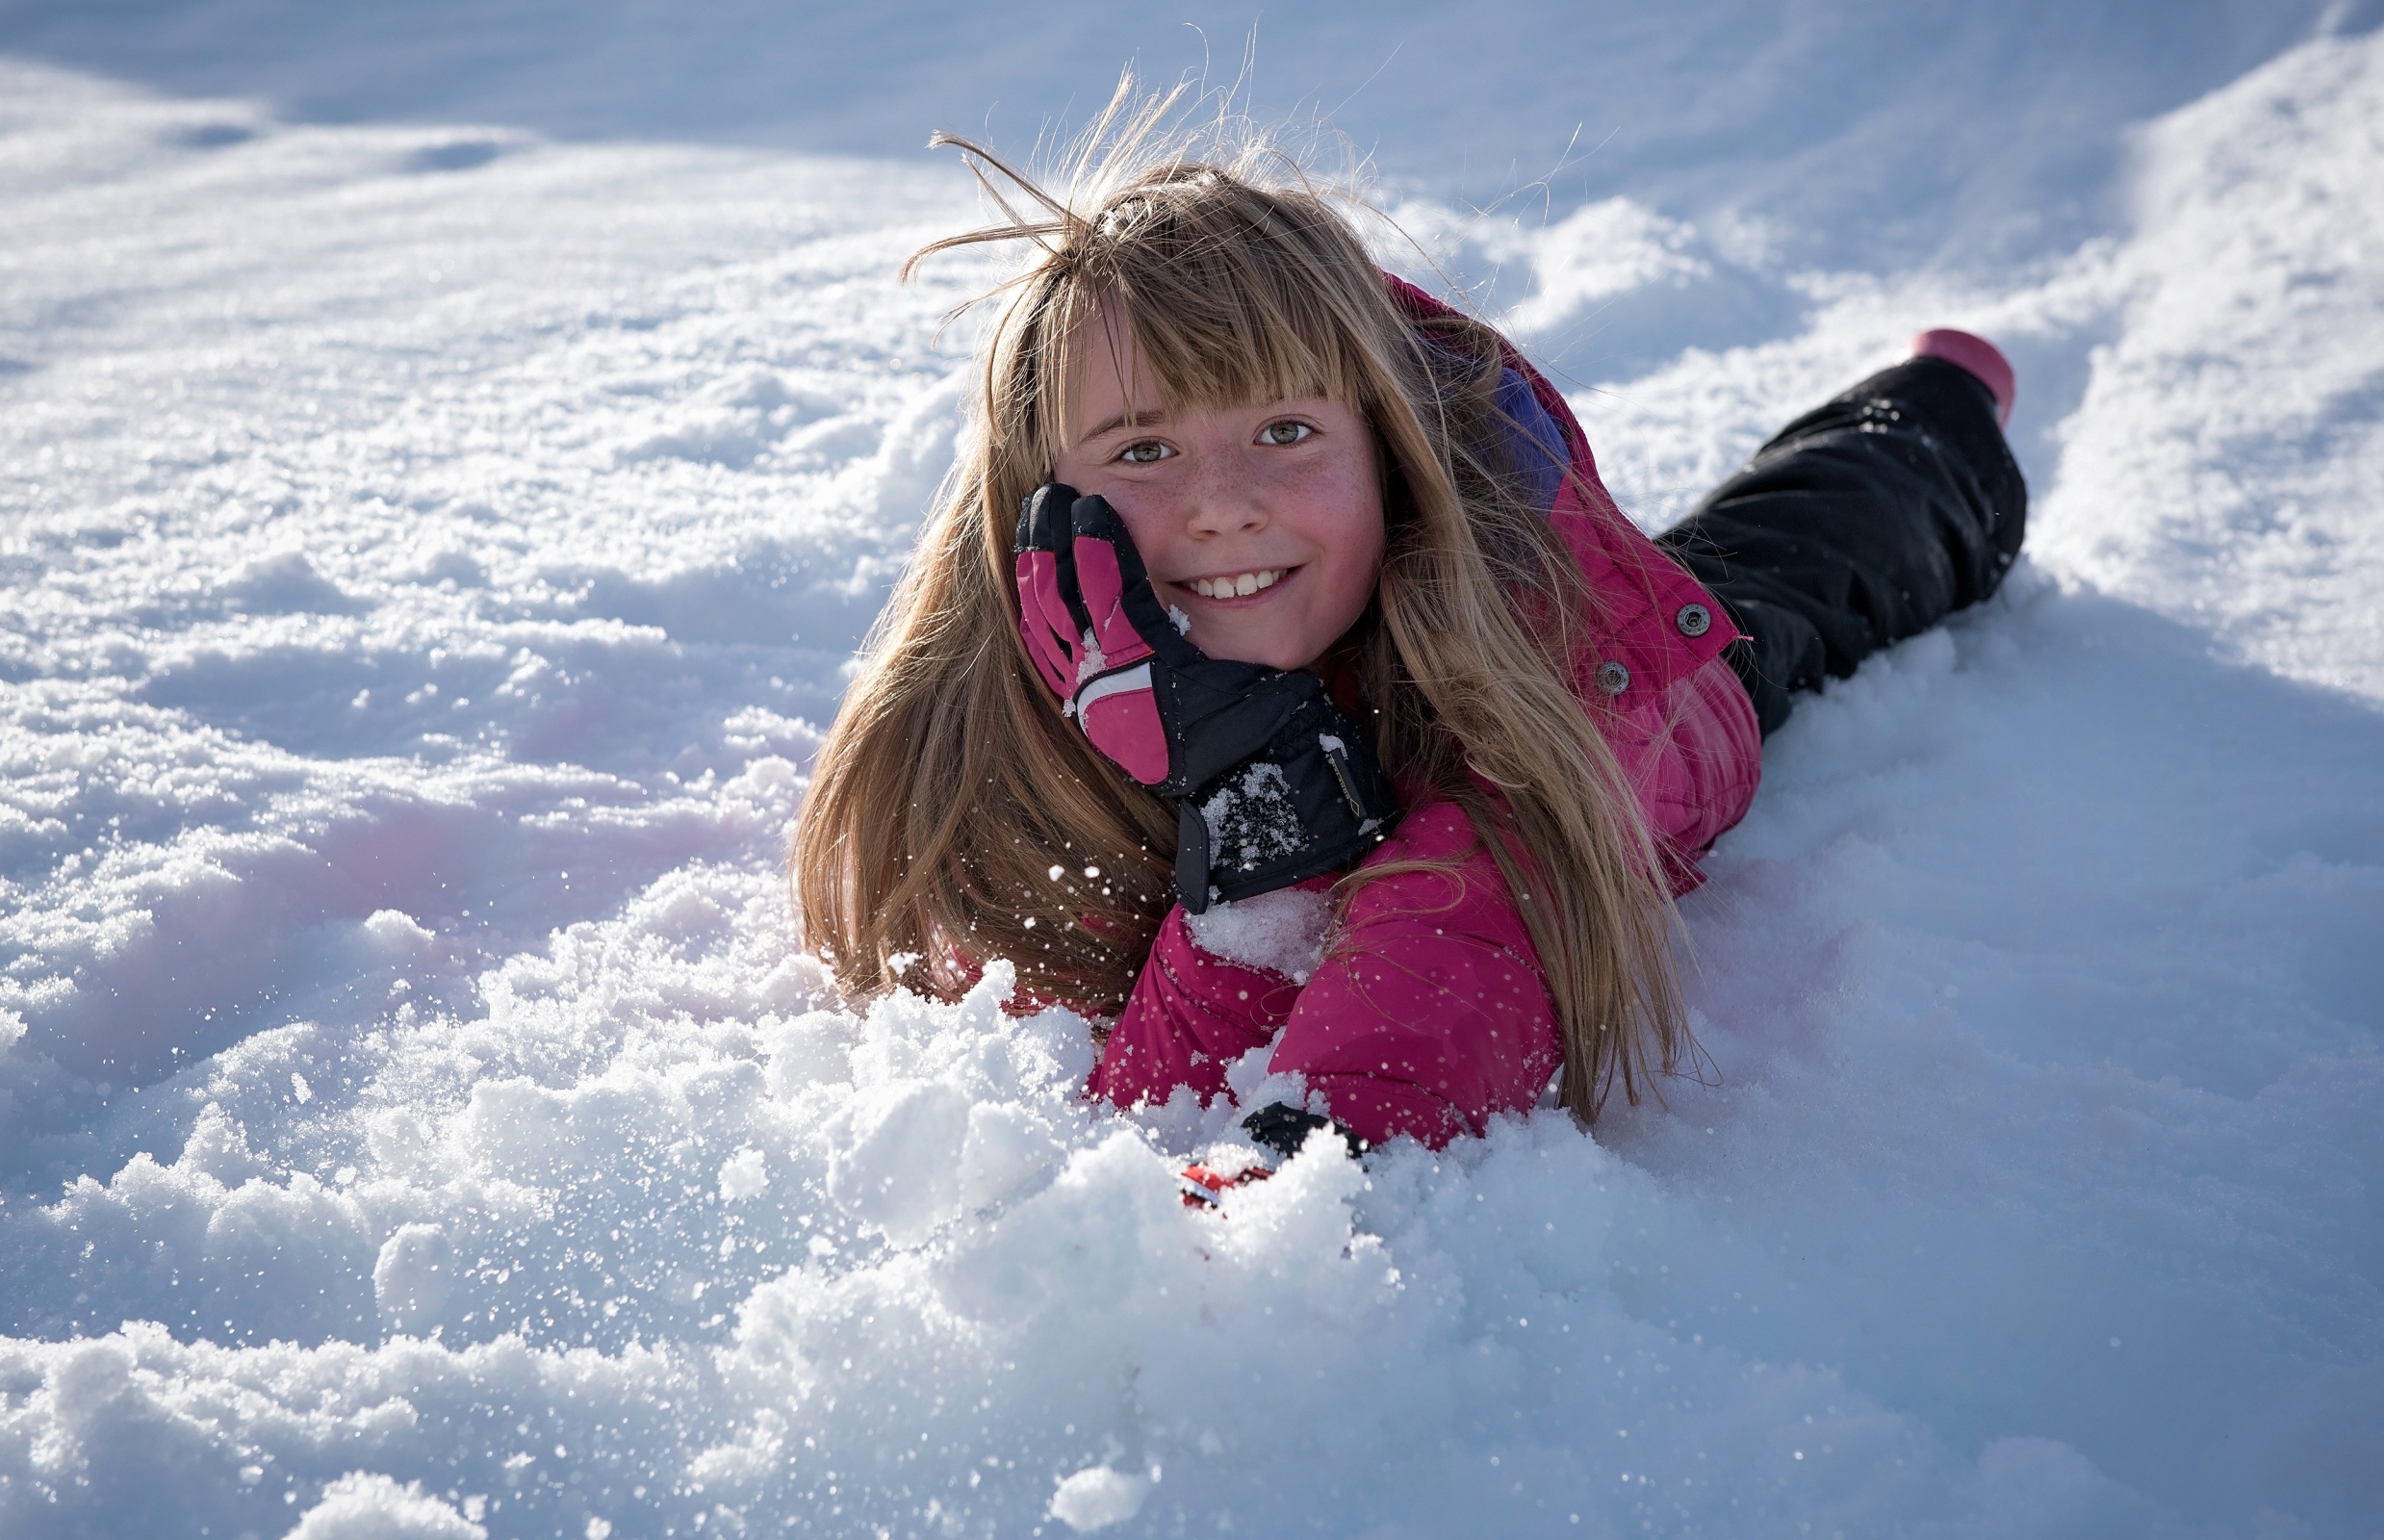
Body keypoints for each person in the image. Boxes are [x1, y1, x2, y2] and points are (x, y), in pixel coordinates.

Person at [792, 95, 2024, 1168]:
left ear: (1388, 456)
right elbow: (1086, 1097)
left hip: (1616, 711)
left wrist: (1286, 1162)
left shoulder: (1530, 693)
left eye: (1284, 433)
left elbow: (1437, 978)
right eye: (1145, 450)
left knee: (1793, 580)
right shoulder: (979, 704)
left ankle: (1940, 409)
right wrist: (1256, 824)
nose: (1225, 505)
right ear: (1041, 508)